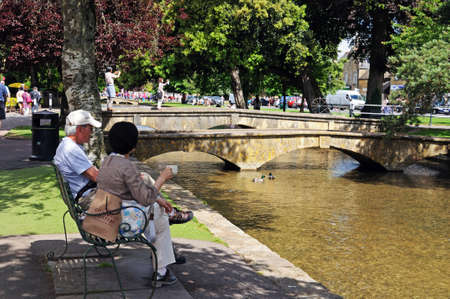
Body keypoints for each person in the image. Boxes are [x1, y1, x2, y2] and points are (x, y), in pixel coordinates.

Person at [97, 121, 182, 286]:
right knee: (161, 217)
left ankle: (164, 260)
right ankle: (162, 270)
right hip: (121, 222)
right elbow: (145, 198)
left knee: (158, 212)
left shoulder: (107, 161)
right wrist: (162, 178)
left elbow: (126, 191)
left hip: (105, 214)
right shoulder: (126, 166)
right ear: (133, 146)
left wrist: (157, 199)